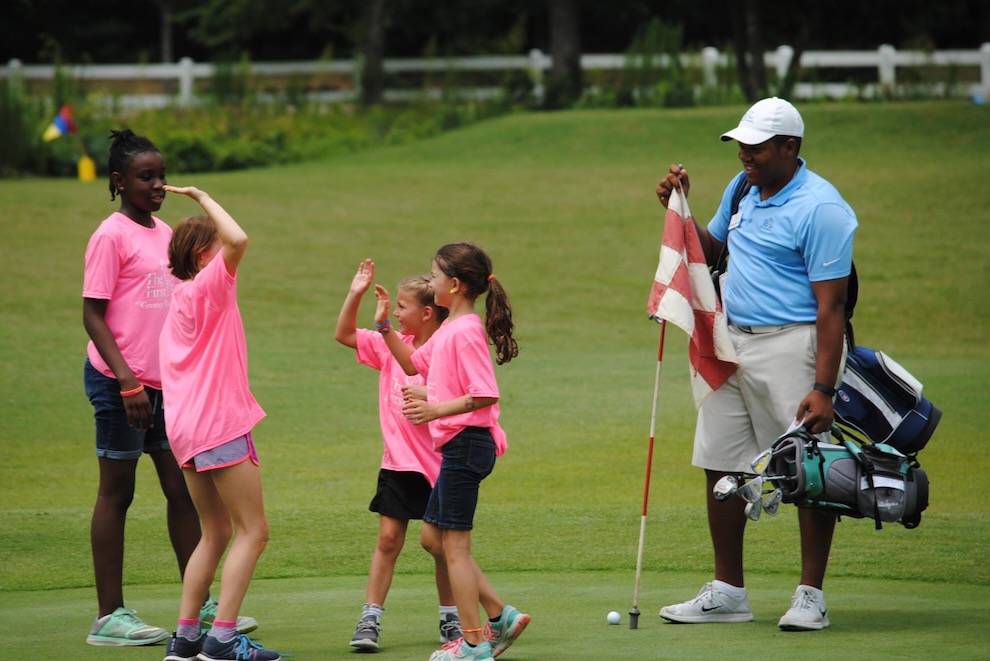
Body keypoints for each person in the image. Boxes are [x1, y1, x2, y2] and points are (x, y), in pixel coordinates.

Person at [654, 97, 858, 631]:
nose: (746, 153)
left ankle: (810, 594)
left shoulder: (822, 208)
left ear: (790, 147)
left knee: (809, 471)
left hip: (794, 346)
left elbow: (831, 306)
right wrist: (681, 210)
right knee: (719, 459)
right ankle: (728, 592)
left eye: (758, 146)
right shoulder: (742, 186)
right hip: (730, 342)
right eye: (741, 143)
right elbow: (712, 247)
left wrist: (824, 387)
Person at [376, 242, 530, 661]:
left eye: (436, 276)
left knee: (454, 548)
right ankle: (501, 615)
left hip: (467, 445)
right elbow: (414, 365)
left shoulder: (465, 333)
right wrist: (386, 327)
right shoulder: (449, 330)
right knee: (433, 538)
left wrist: (434, 409)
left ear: (455, 285)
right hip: (458, 446)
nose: (431, 282)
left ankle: (475, 644)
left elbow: (483, 394)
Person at [82, 129, 200, 646]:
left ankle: (199, 609)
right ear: (118, 181)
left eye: (161, 176)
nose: (158, 185)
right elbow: (92, 314)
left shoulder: (165, 230)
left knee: (183, 489)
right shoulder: (111, 235)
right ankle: (109, 617)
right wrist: (128, 382)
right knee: (118, 492)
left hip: (163, 384)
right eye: (146, 176)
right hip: (119, 383)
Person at [158, 185, 282, 661]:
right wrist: (202, 198)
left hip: (185, 432)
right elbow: (240, 240)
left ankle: (186, 640)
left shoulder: (179, 302)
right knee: (254, 531)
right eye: (214, 249)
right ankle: (223, 639)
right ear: (201, 254)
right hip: (220, 425)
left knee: (215, 532)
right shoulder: (209, 284)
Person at [334, 259, 462, 651]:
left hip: (440, 464)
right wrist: (356, 292)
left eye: (402, 308)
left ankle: (450, 618)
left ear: (427, 313)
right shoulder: (391, 345)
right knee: (389, 539)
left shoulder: (445, 348)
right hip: (398, 462)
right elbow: (343, 334)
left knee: (440, 546)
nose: (395, 314)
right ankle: (370, 618)